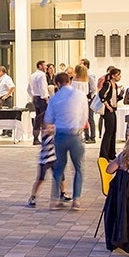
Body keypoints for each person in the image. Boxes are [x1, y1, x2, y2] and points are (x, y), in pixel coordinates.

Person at [44, 70, 87, 210]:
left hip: (60, 136)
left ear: (57, 83)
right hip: (76, 135)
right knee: (78, 168)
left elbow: (48, 119)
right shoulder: (80, 95)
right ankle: (76, 200)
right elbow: (84, 116)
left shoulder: (55, 98)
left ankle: (55, 200)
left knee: (59, 168)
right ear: (69, 80)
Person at [27, 128, 69, 207]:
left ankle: (63, 193)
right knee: (40, 179)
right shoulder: (45, 136)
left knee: (61, 177)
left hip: (55, 159)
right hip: (45, 160)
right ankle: (33, 197)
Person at [97, 66, 122, 161]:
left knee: (113, 131)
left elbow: (114, 98)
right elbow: (102, 95)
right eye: (118, 75)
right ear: (113, 76)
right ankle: (104, 154)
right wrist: (108, 106)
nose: (119, 77)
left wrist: (120, 95)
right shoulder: (108, 84)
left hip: (113, 109)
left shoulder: (115, 85)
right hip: (108, 111)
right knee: (108, 132)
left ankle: (111, 153)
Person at [29, 60, 50, 145]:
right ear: (40, 66)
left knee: (38, 119)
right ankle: (45, 139)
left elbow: (28, 89)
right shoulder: (42, 75)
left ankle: (35, 138)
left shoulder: (32, 75)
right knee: (45, 119)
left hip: (35, 98)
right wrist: (46, 99)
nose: (46, 67)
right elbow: (43, 88)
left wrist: (33, 95)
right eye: (45, 66)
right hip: (42, 99)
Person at [82, 59, 98, 143]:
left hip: (90, 98)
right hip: (84, 99)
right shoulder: (82, 75)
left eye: (81, 64)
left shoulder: (90, 75)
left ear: (86, 65)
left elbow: (93, 88)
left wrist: (89, 95)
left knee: (90, 117)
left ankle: (93, 136)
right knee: (84, 118)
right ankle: (86, 136)